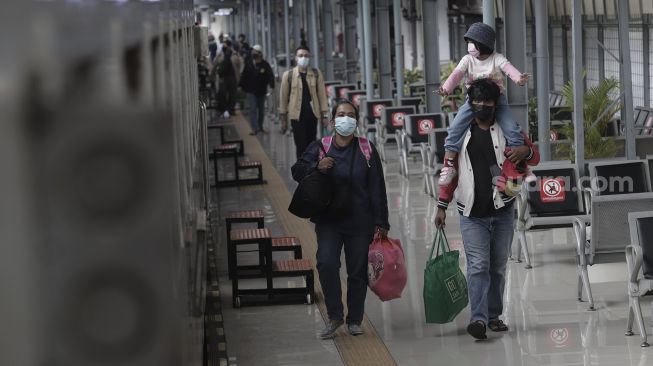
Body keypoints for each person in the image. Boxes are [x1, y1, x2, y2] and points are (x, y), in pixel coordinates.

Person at [435, 79, 540, 340]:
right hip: (472, 213)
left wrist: (525, 150)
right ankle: (479, 319)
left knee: (498, 266)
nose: (482, 106)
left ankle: (494, 316)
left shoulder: (507, 128)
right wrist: (441, 204)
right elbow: (450, 171)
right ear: (470, 104)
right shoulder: (462, 133)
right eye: (477, 102)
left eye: (488, 103)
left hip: (503, 209)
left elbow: (534, 156)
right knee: (478, 265)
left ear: (496, 104)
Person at [291, 99, 390, 339]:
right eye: (341, 114)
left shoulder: (367, 149)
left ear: (355, 121)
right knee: (326, 263)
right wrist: (317, 166)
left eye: (350, 115)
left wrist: (382, 222)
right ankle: (335, 315)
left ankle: (354, 319)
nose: (345, 118)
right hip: (329, 221)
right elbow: (297, 171)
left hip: (360, 222)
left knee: (357, 272)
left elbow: (377, 187)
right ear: (333, 121)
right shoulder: (320, 147)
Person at [438, 22, 530, 187]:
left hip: (497, 99)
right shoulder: (468, 60)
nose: (470, 46)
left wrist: (518, 79)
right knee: (455, 128)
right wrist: (446, 88)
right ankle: (449, 167)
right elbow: (456, 74)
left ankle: (518, 166)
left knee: (512, 129)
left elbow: (508, 68)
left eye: (473, 42)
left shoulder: (497, 58)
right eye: (469, 42)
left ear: (483, 44)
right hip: (473, 99)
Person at [279, 46, 329, 159]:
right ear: (296, 58)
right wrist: (283, 118)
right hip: (296, 117)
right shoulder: (289, 75)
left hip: (312, 115)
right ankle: (302, 172)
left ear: (310, 57)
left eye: (306, 56)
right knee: (301, 146)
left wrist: (325, 116)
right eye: (300, 55)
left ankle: (311, 171)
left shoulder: (316, 74)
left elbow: (322, 96)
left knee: (312, 145)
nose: (303, 58)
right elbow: (283, 98)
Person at [240, 44, 275, 135]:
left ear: (260, 53)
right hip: (251, 91)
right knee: (252, 109)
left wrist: (272, 86)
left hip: (261, 91)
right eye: (252, 51)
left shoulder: (265, 65)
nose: (253, 53)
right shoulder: (249, 64)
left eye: (255, 51)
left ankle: (260, 127)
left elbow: (270, 76)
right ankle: (254, 128)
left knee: (261, 110)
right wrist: (242, 87)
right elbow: (244, 76)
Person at [211, 39, 243, 119]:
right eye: (224, 45)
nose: (224, 47)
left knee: (233, 95)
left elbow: (241, 64)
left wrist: (240, 73)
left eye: (226, 45)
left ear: (229, 46)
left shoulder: (235, 55)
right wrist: (212, 74)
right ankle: (224, 109)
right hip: (222, 78)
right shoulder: (220, 55)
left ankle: (231, 109)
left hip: (233, 77)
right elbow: (215, 64)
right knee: (222, 94)